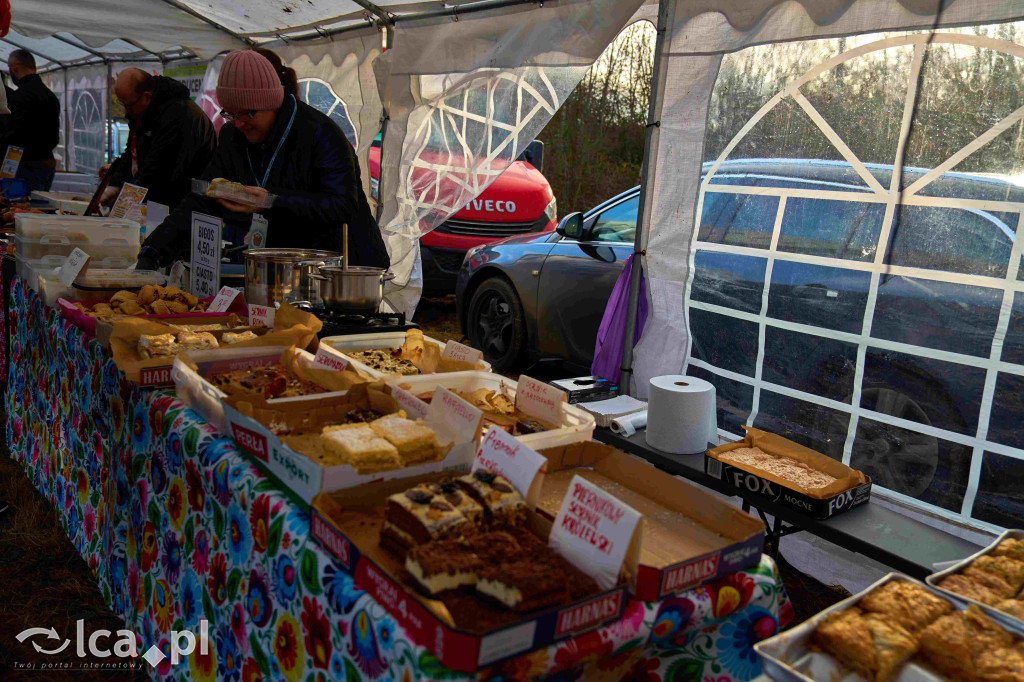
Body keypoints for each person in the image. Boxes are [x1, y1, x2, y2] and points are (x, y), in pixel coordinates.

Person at [137, 50, 388, 270]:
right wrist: (155, 250)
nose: (239, 123)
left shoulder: (319, 132)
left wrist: (271, 201)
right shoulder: (233, 135)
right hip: (284, 265)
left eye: (248, 113)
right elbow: (204, 197)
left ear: (271, 103)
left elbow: (341, 205)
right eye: (230, 114)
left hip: (342, 267)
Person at [99, 68, 216, 208]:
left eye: (128, 105)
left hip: (186, 203)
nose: (126, 111)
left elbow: (158, 171)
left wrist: (125, 200)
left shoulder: (178, 116)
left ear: (147, 96)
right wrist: (115, 185)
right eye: (122, 104)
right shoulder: (141, 112)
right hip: (162, 199)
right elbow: (131, 153)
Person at [0, 50, 59, 192]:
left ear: (14, 67)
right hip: (47, 164)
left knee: (19, 208)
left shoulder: (20, 97)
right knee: (38, 208)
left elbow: (15, 135)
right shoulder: (50, 96)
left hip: (25, 166)